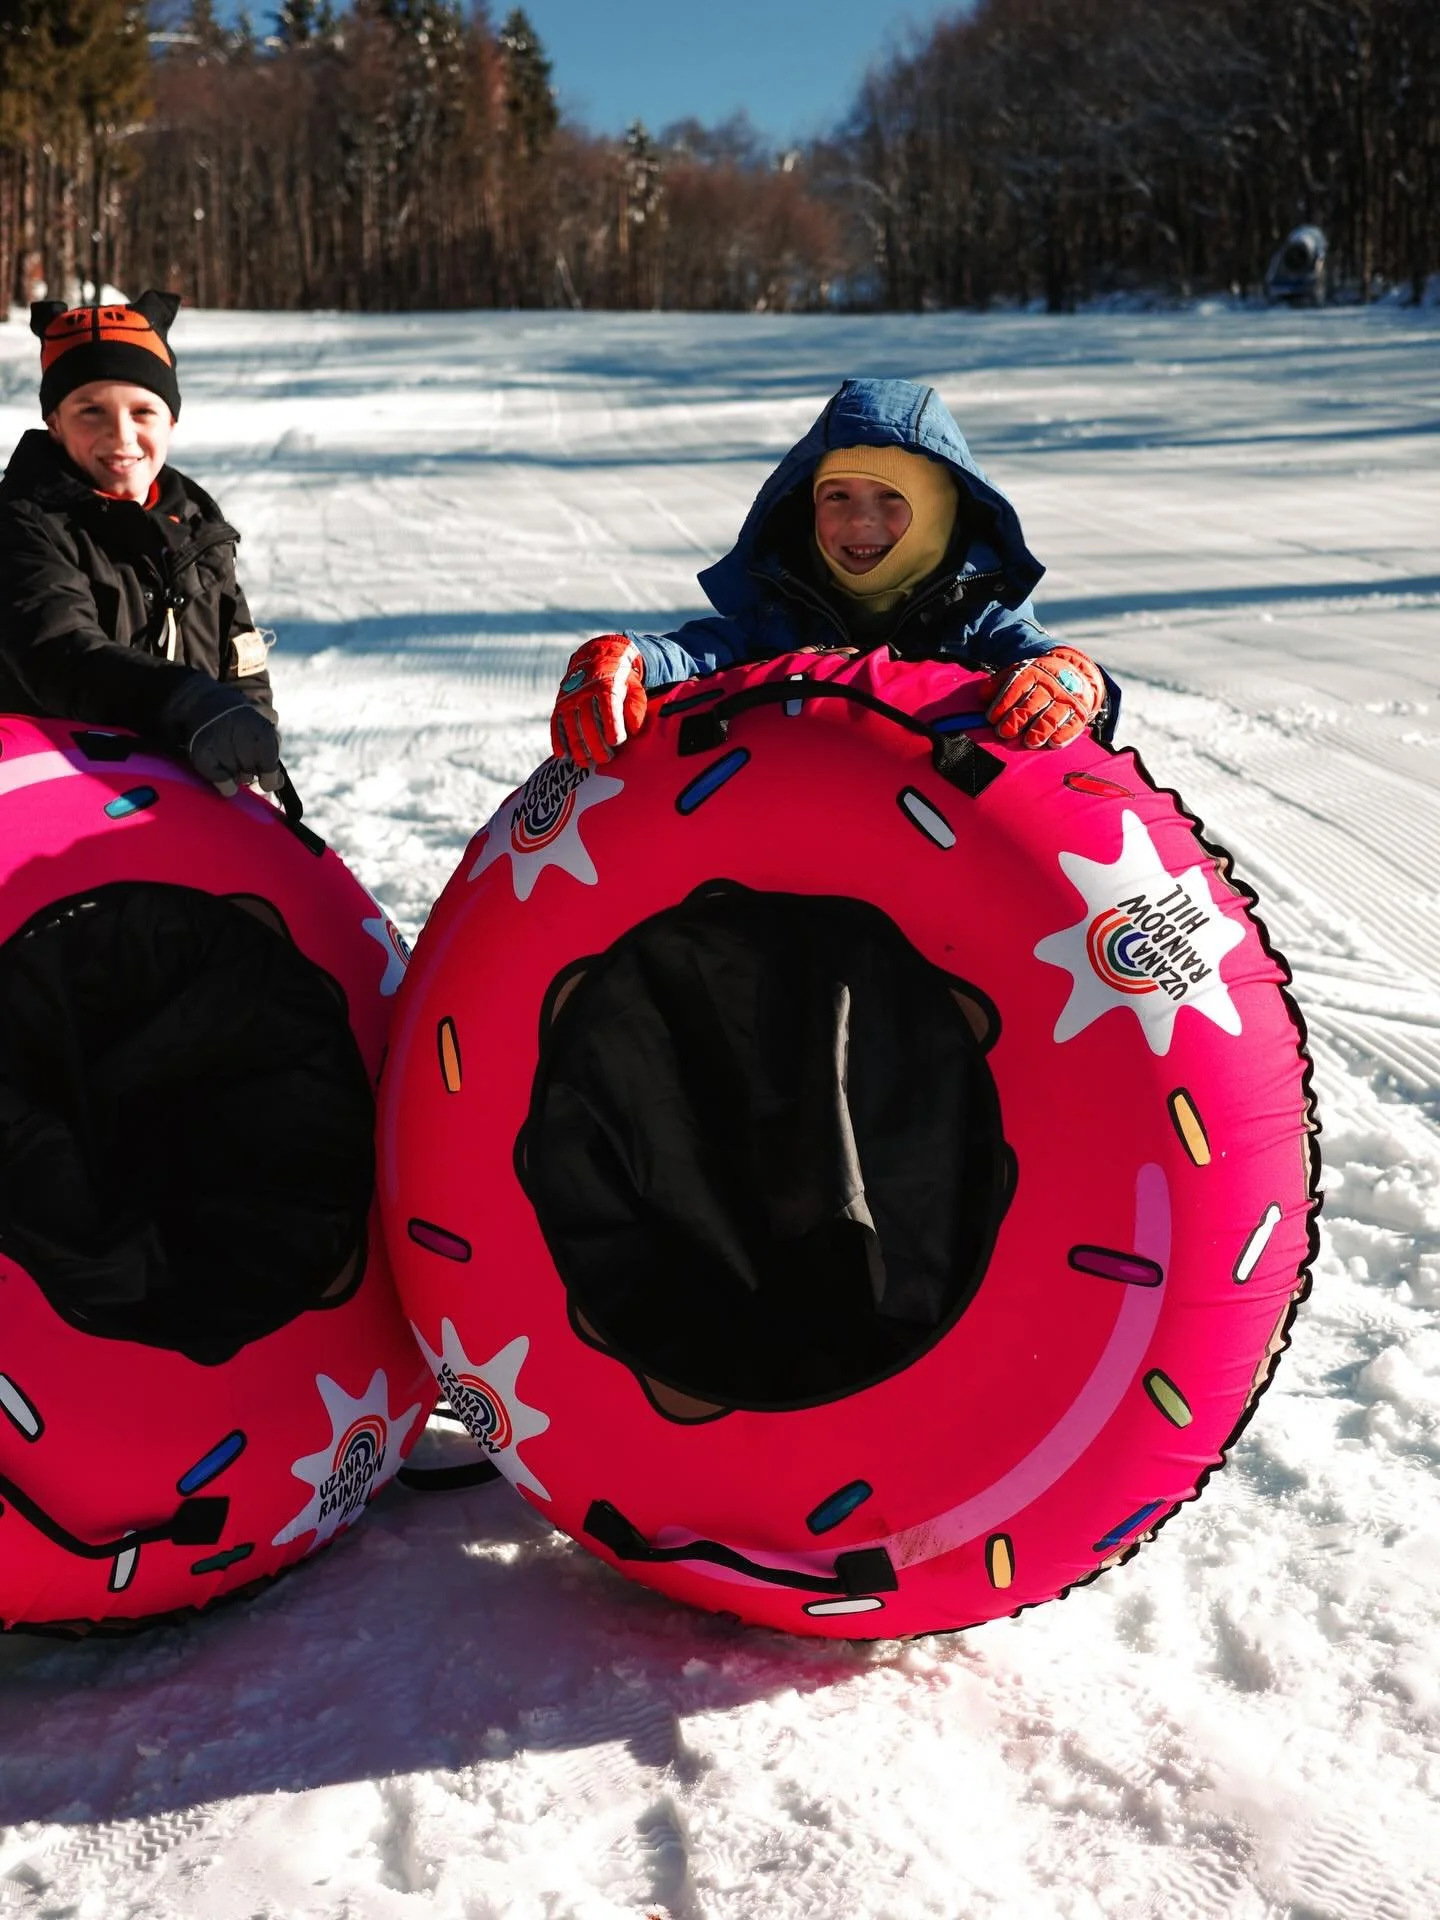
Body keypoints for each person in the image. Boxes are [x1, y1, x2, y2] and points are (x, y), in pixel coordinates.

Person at [551, 376, 1117, 768]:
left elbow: (1049, 663)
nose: (859, 521)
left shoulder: (976, 619)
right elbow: (695, 654)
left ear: (940, 514)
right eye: (837, 496)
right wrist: (625, 660)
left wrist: (1073, 679)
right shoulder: (782, 612)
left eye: (891, 499)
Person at [0, 292, 282, 796]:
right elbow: (62, 654)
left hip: (178, 796)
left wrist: (247, 736)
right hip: (52, 796)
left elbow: (240, 657)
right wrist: (186, 703)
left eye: (143, 411)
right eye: (91, 410)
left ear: (171, 419)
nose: (121, 436)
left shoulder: (198, 527)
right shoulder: (24, 523)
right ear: (55, 422)